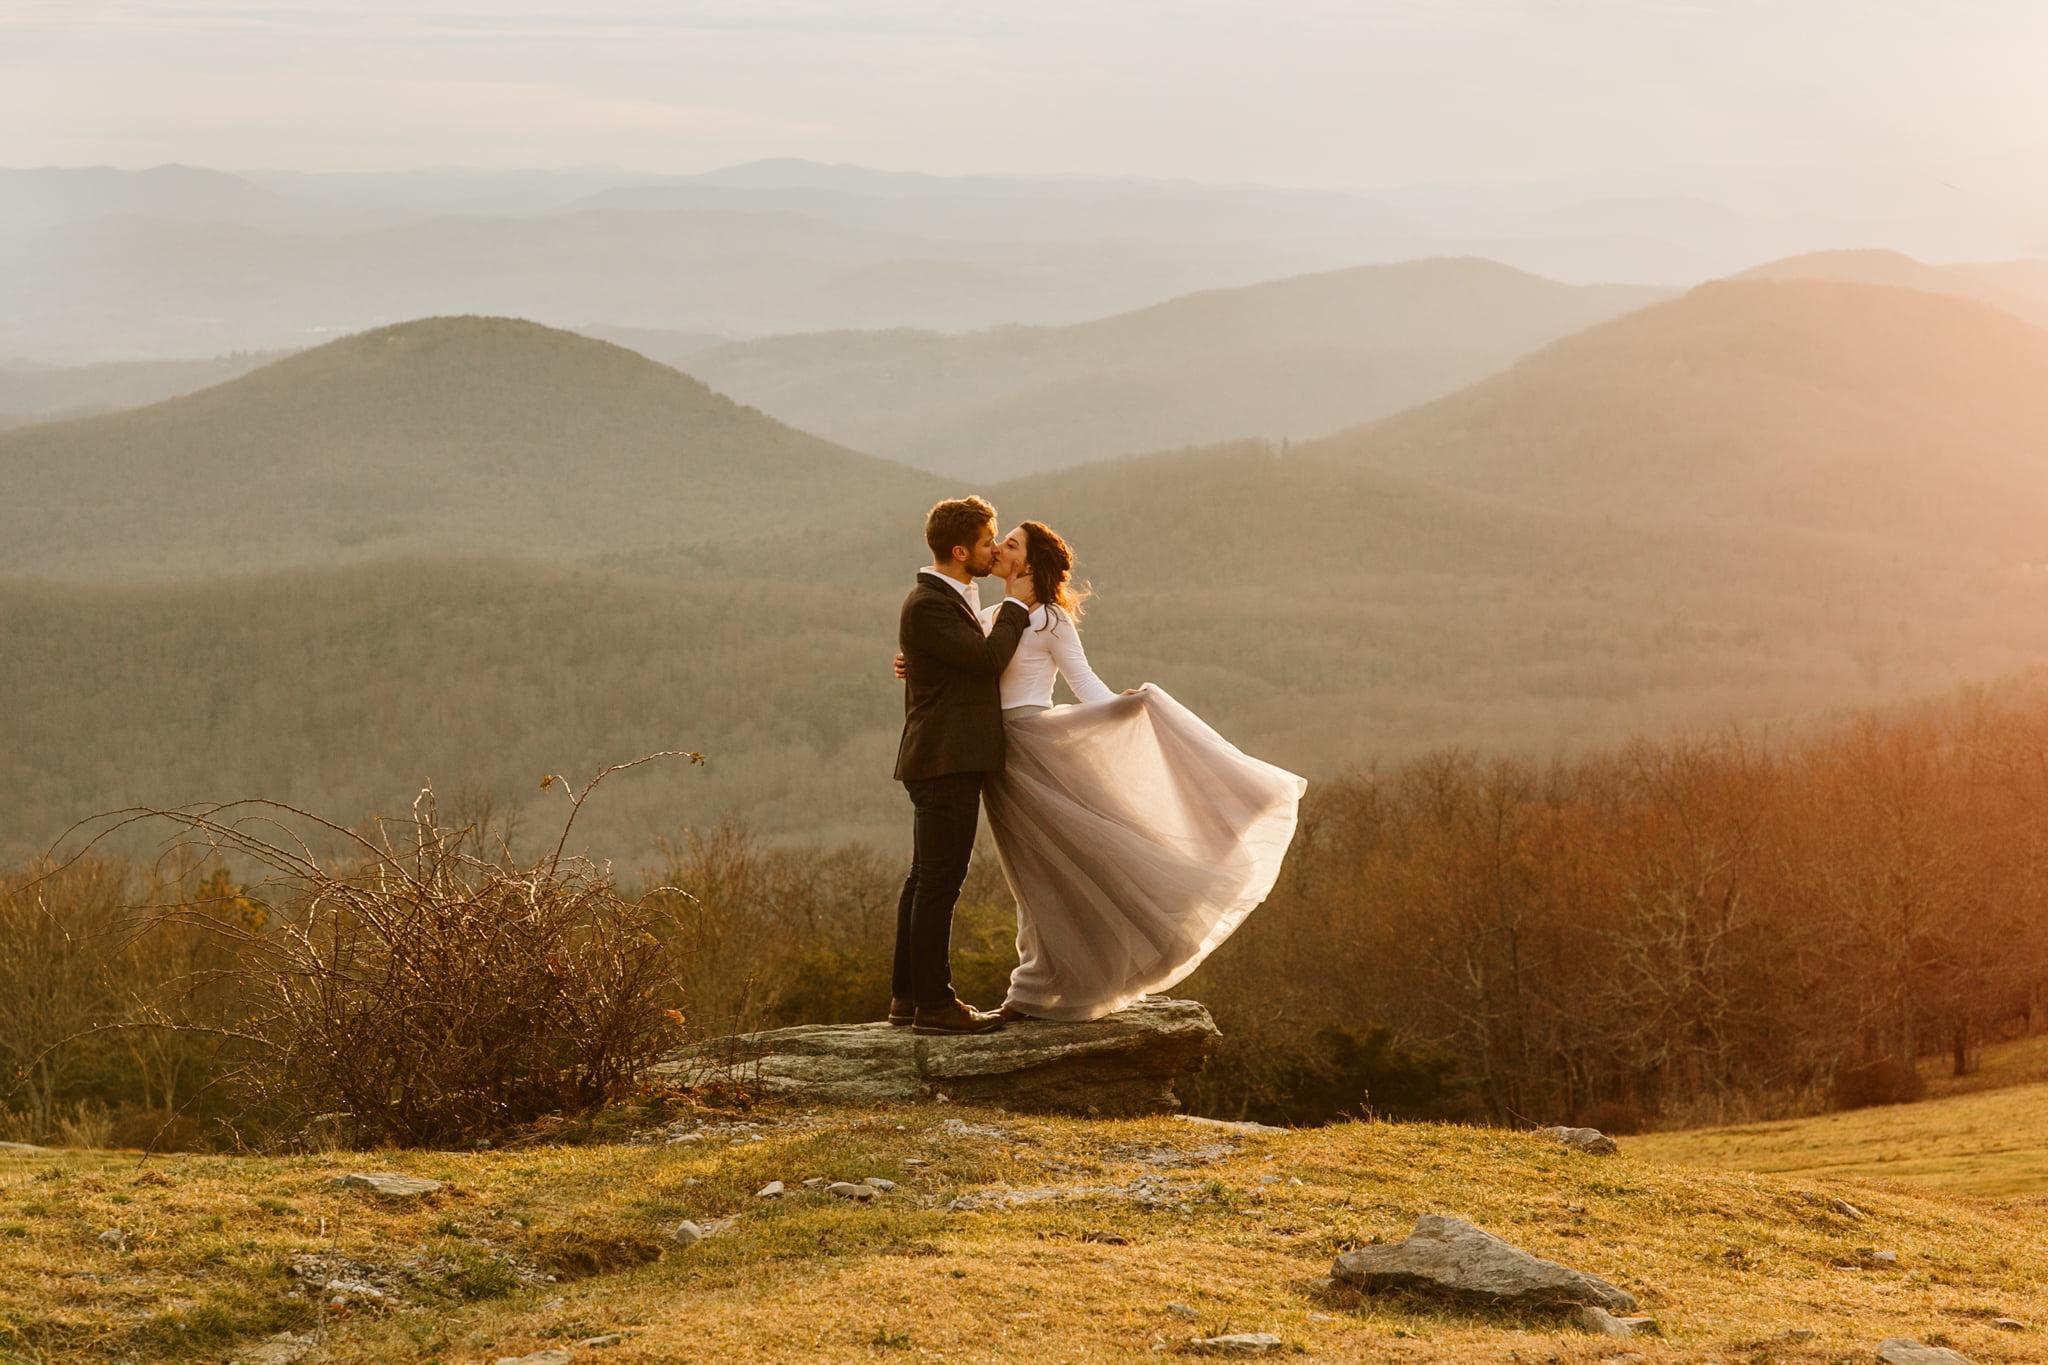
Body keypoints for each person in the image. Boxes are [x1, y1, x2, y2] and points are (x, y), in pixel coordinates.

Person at [896, 520, 1307, 1024]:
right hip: (996, 759)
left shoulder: (1049, 620)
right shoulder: (991, 614)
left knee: (1068, 868)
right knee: (1030, 877)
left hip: (1035, 749)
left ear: (1029, 564)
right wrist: (914, 662)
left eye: (1012, 544)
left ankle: (1044, 988)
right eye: (997, 541)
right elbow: (963, 661)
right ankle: (1036, 983)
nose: (1000, 548)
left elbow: (1082, 681)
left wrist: (1125, 706)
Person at [889, 496, 1035, 1035]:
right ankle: (934, 1004)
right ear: (959, 550)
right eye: (984, 542)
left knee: (924, 879)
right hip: (944, 759)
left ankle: (907, 998)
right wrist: (1017, 606)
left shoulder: (951, 598)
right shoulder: (928, 603)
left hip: (940, 757)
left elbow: (955, 658)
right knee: (938, 886)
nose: (993, 549)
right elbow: (984, 661)